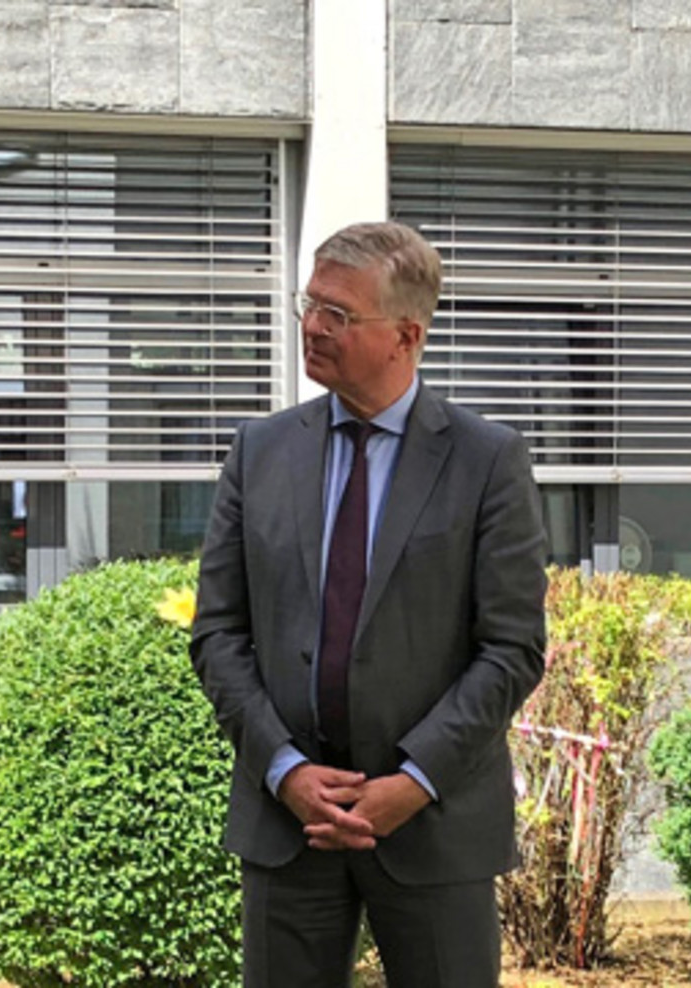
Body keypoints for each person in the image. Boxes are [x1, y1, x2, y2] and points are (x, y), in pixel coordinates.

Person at [190, 221, 547, 986]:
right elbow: (218, 633)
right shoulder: (259, 452)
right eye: (310, 304)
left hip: (436, 823)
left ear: (407, 336)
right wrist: (284, 769)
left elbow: (511, 648)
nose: (314, 326)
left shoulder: (486, 460)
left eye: (339, 314)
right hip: (290, 826)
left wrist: (414, 781)